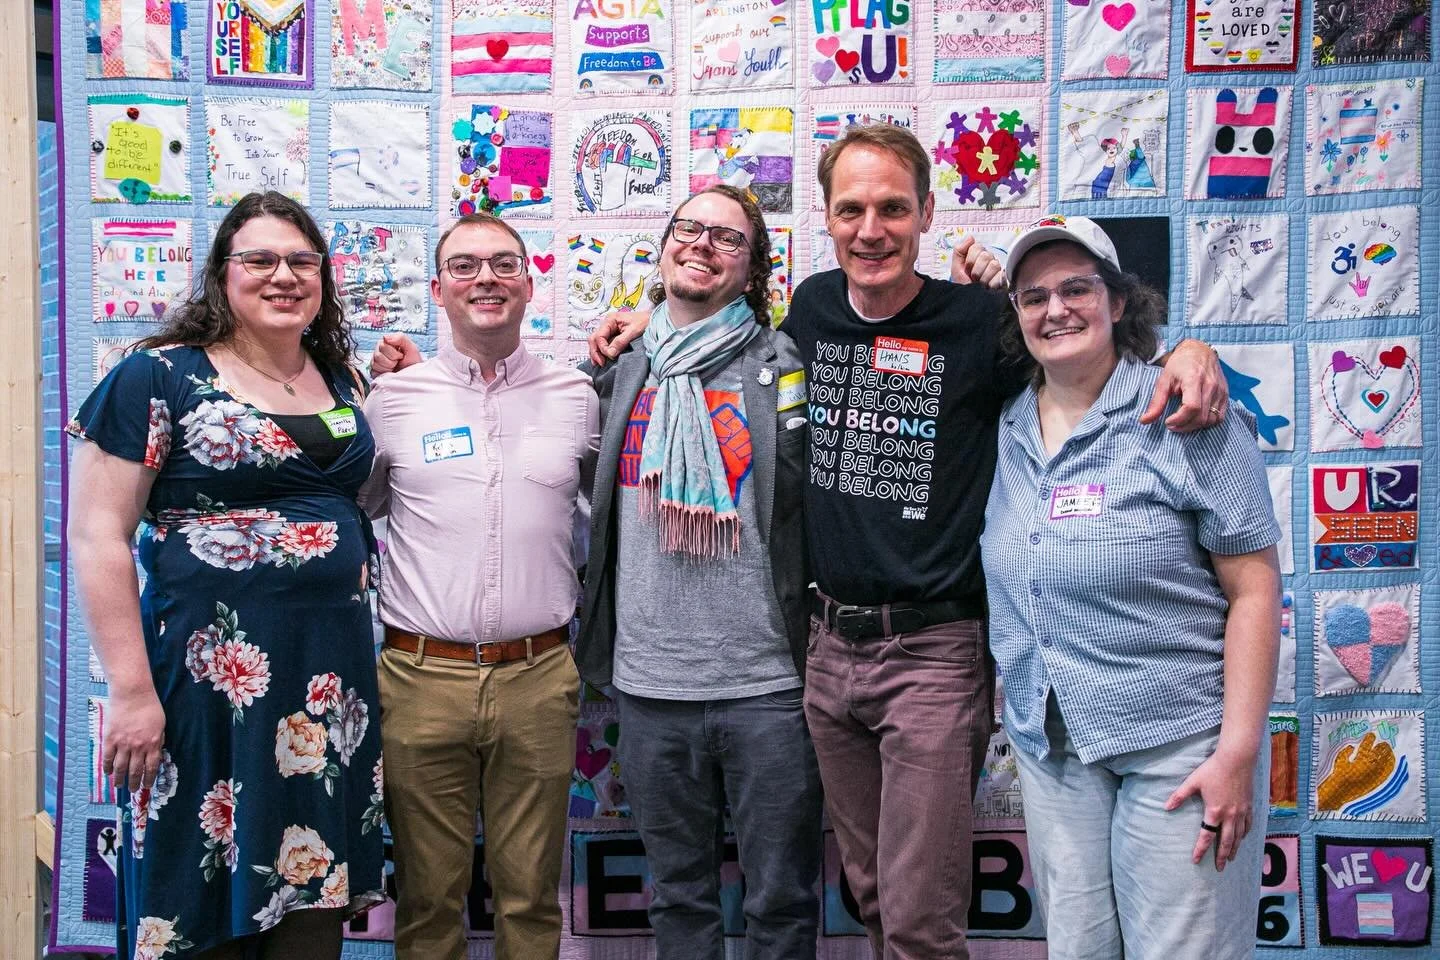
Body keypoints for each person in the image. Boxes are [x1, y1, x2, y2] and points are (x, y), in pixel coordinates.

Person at [586, 125, 1228, 959]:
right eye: (850, 209)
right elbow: (705, 328)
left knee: (921, 921)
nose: (871, 228)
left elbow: (1084, 348)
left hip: (933, 650)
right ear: (826, 218)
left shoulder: (982, 321)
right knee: (874, 898)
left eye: (893, 207)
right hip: (826, 653)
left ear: (927, 212)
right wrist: (639, 320)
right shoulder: (808, 312)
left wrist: (1185, 347)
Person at [67, 191, 384, 960]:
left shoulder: (341, 379)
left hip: (326, 687)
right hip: (205, 690)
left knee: (310, 903)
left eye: (301, 260)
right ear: (222, 274)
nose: (283, 275)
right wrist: (132, 692)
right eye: (260, 259)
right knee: (196, 900)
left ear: (323, 276)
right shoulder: (156, 377)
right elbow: (96, 534)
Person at [981, 215, 1279, 959]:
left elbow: (1255, 589)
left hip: (1180, 747)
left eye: (1077, 289)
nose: (1056, 310)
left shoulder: (1186, 415)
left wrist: (1238, 751)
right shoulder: (1004, 425)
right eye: (1034, 296)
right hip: (1055, 749)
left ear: (1118, 301)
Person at [575, 185, 821, 958]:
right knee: (679, 901)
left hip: (767, 687)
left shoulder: (786, 364)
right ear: (665, 244)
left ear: (753, 270)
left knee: (781, 903)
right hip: (650, 688)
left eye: (727, 238)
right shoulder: (618, 370)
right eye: (690, 229)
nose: (703, 245)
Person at [357, 212, 597, 960]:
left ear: (530, 282)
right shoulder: (392, 400)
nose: (484, 279)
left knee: (531, 900)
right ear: (437, 290)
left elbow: (607, 513)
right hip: (420, 678)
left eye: (502, 264)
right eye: (464, 267)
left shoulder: (578, 397)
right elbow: (352, 510)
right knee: (428, 902)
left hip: (539, 676)